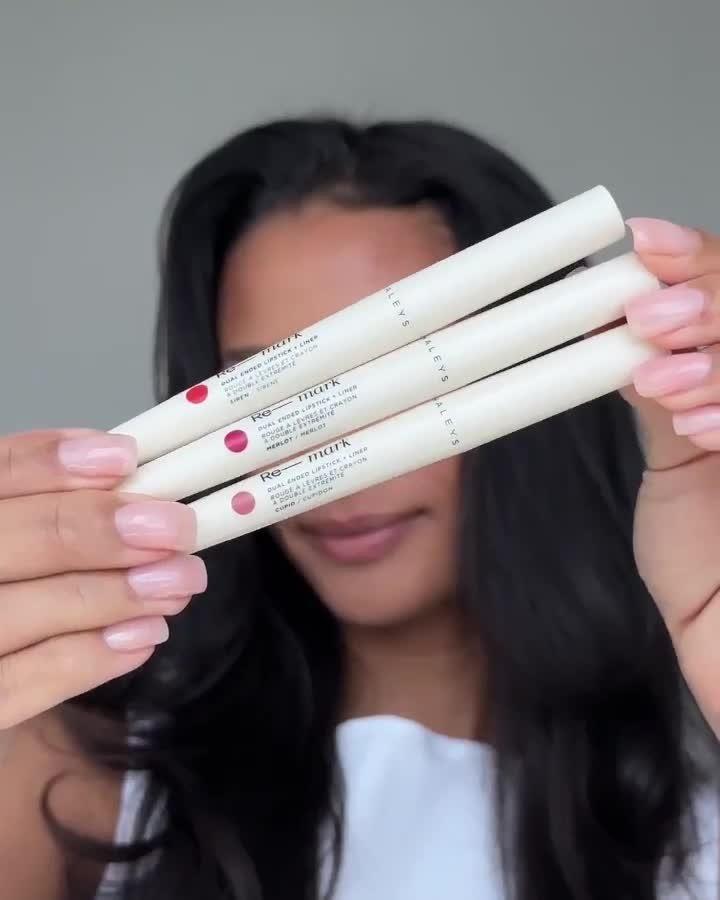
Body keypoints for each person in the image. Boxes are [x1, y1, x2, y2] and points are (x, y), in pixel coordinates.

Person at [1, 117, 720, 900]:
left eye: (397, 381)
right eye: (270, 399)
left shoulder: (694, 847)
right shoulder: (77, 775)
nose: (332, 470)